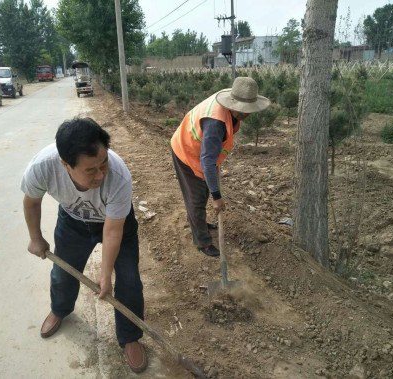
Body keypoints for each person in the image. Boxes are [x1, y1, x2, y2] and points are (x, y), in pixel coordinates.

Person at [21, 118, 147, 373]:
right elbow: (31, 201)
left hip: (117, 224)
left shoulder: (119, 175)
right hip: (73, 222)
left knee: (129, 280)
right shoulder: (42, 167)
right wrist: (36, 237)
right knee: (62, 273)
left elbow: (112, 231)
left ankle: (130, 335)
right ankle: (60, 309)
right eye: (91, 170)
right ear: (65, 165)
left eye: (104, 164)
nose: (100, 174)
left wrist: (104, 275)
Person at [171, 77, 270, 257]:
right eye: (243, 110)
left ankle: (197, 221)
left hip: (202, 151)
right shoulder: (215, 123)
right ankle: (202, 242)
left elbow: (210, 157)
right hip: (186, 151)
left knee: (205, 189)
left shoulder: (233, 98)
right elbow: (207, 162)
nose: (247, 113)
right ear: (233, 105)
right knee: (196, 197)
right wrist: (217, 198)